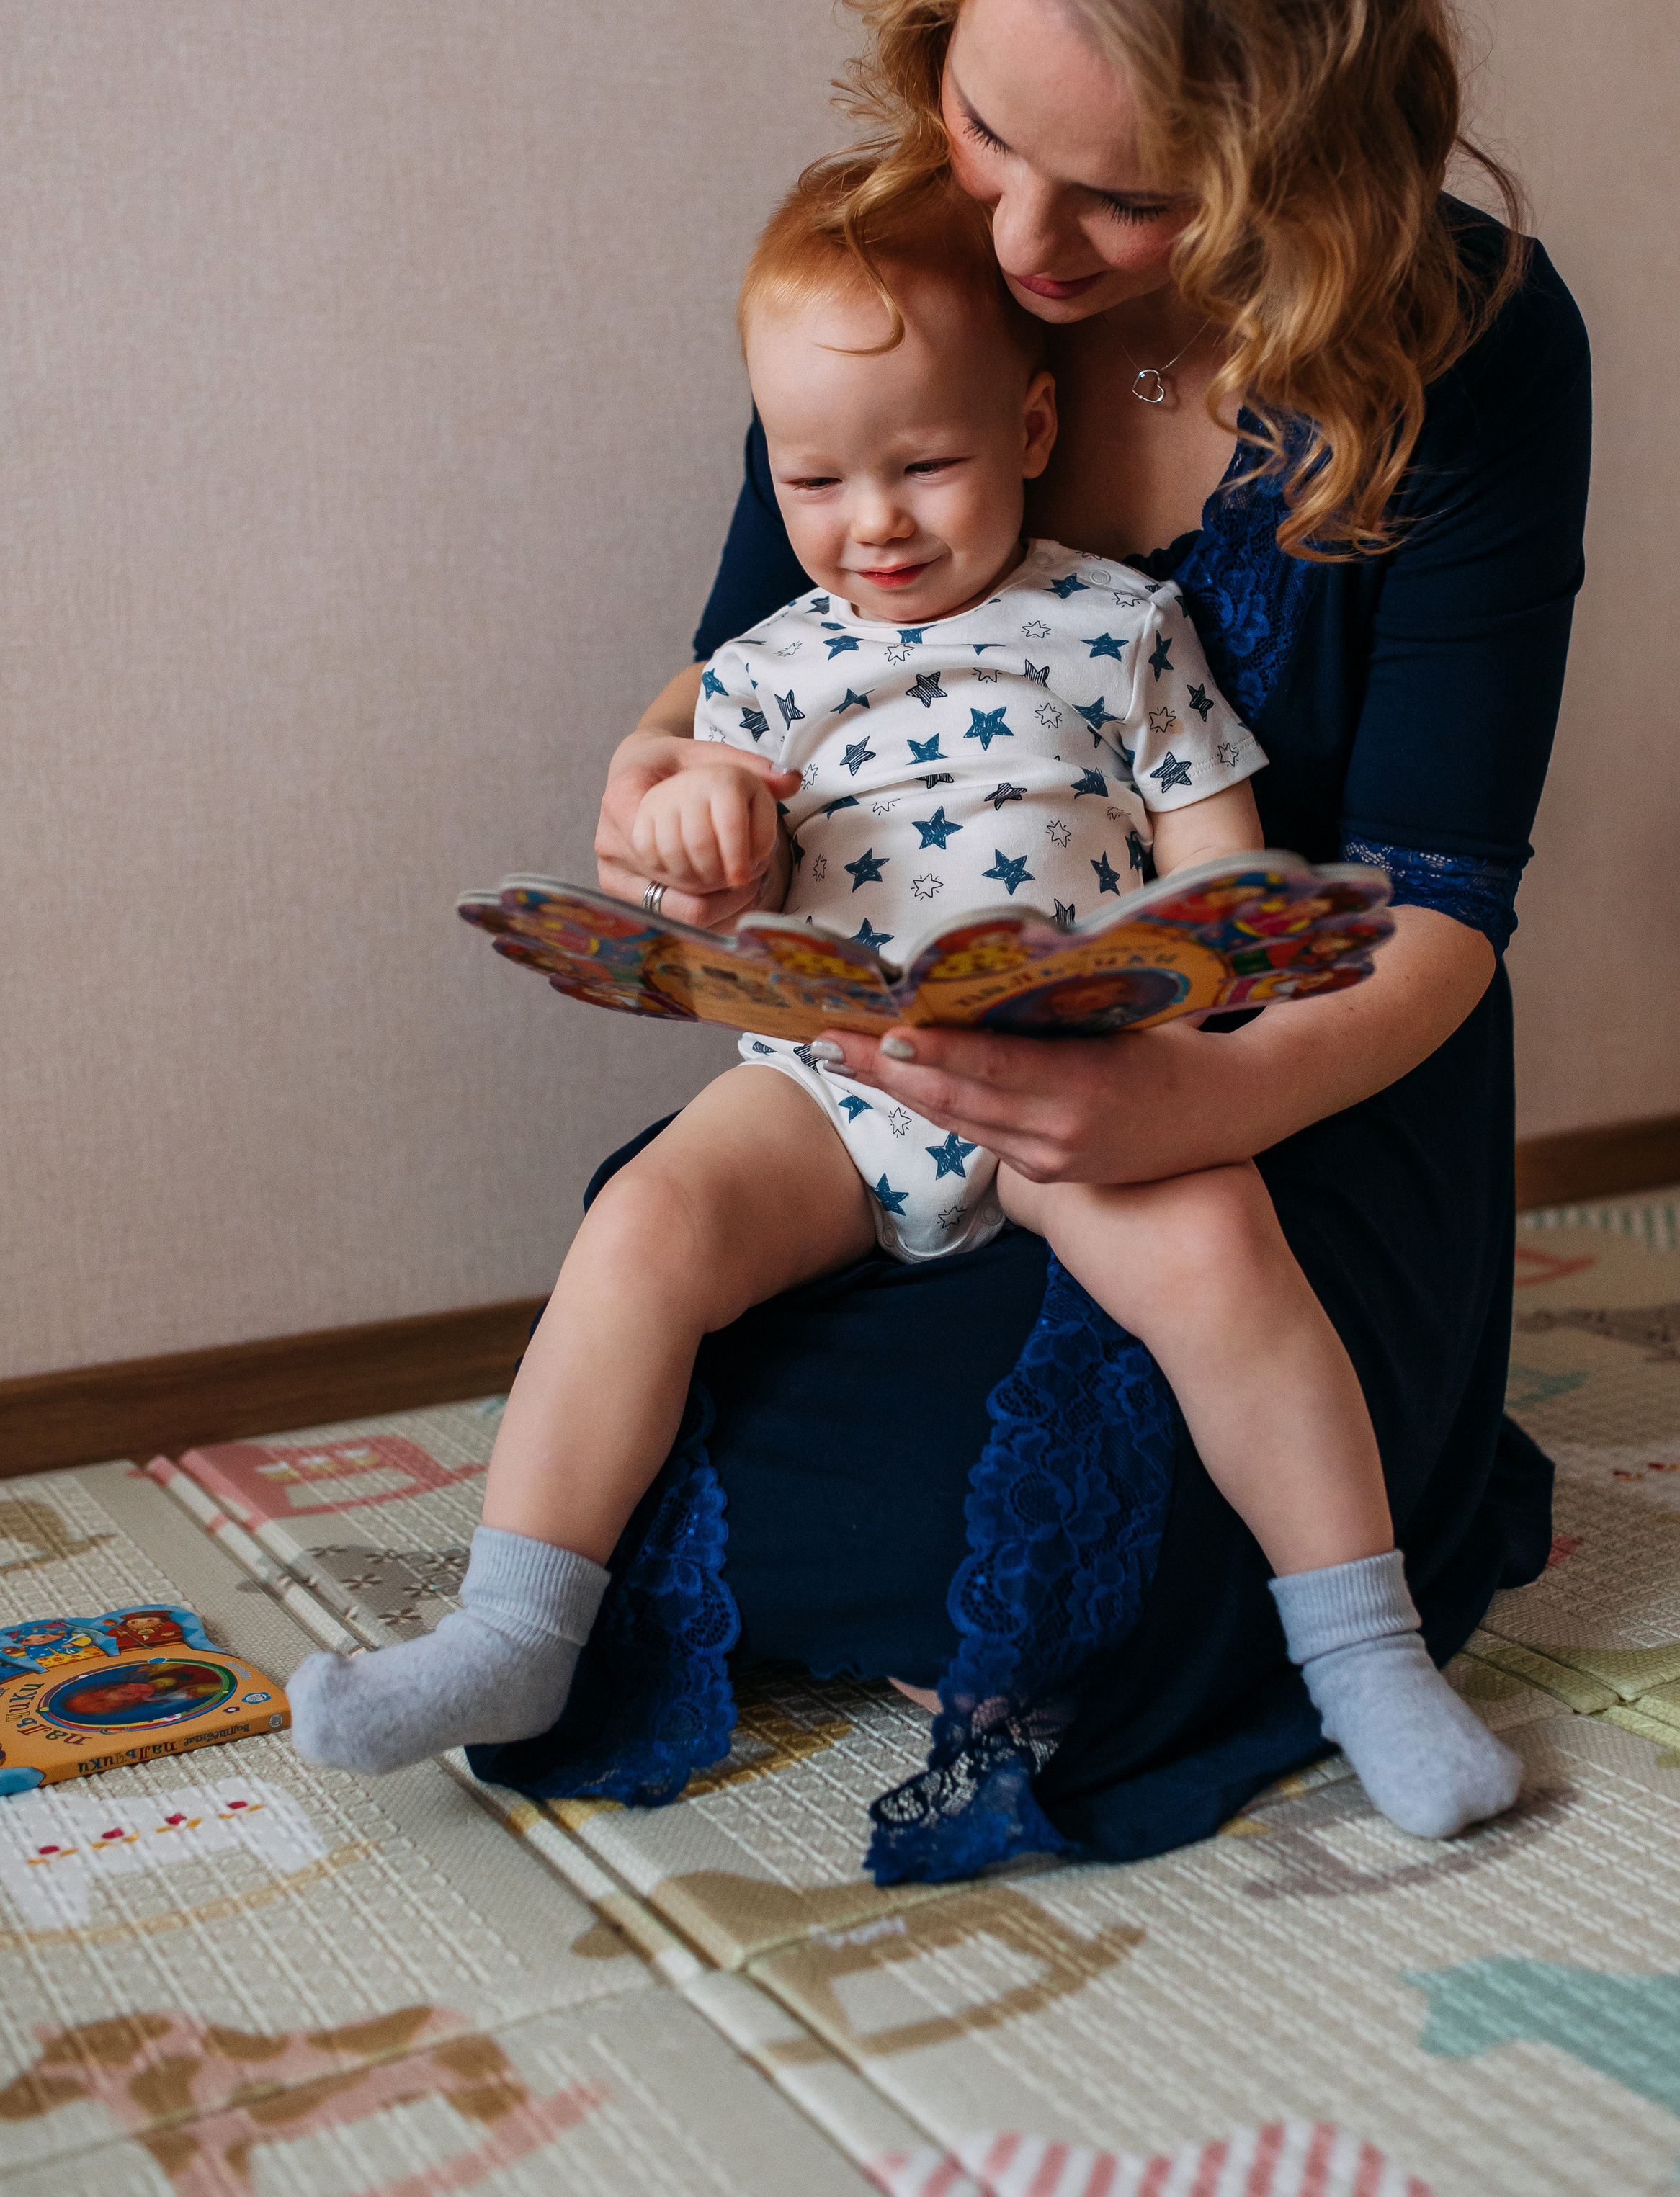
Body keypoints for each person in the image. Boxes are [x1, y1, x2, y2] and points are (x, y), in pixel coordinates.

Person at [458, 0, 1586, 1884]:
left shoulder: (1477, 347)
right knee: (648, 1334)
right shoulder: (905, 268)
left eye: (1131, 196)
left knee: (1135, 1566)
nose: (1029, 247)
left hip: (1292, 1084)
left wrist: (1192, 1099)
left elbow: (1445, 904)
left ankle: (1324, 1613)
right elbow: (739, 685)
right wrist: (658, 800)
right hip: (902, 1051)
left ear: (1310, 152)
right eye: (989, 130)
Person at [287, 178, 1521, 1841]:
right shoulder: (761, 674)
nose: (870, 519)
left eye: (921, 465)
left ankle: (1363, 1651)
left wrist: (1159, 998)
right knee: (645, 1219)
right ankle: (513, 1627)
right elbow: (684, 879)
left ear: (1027, 426)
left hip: (1067, 1081)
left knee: (1225, 1264)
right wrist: (688, 846)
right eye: (812, 477)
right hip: (829, 1078)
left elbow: (1215, 881)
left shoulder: (1117, 627)